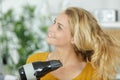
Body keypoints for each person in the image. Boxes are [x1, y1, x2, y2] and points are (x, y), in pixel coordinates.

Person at [26, 7, 120, 80]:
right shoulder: (34, 60)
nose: (51, 28)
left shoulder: (94, 74)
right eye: (54, 22)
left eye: (59, 27)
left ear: (74, 38)